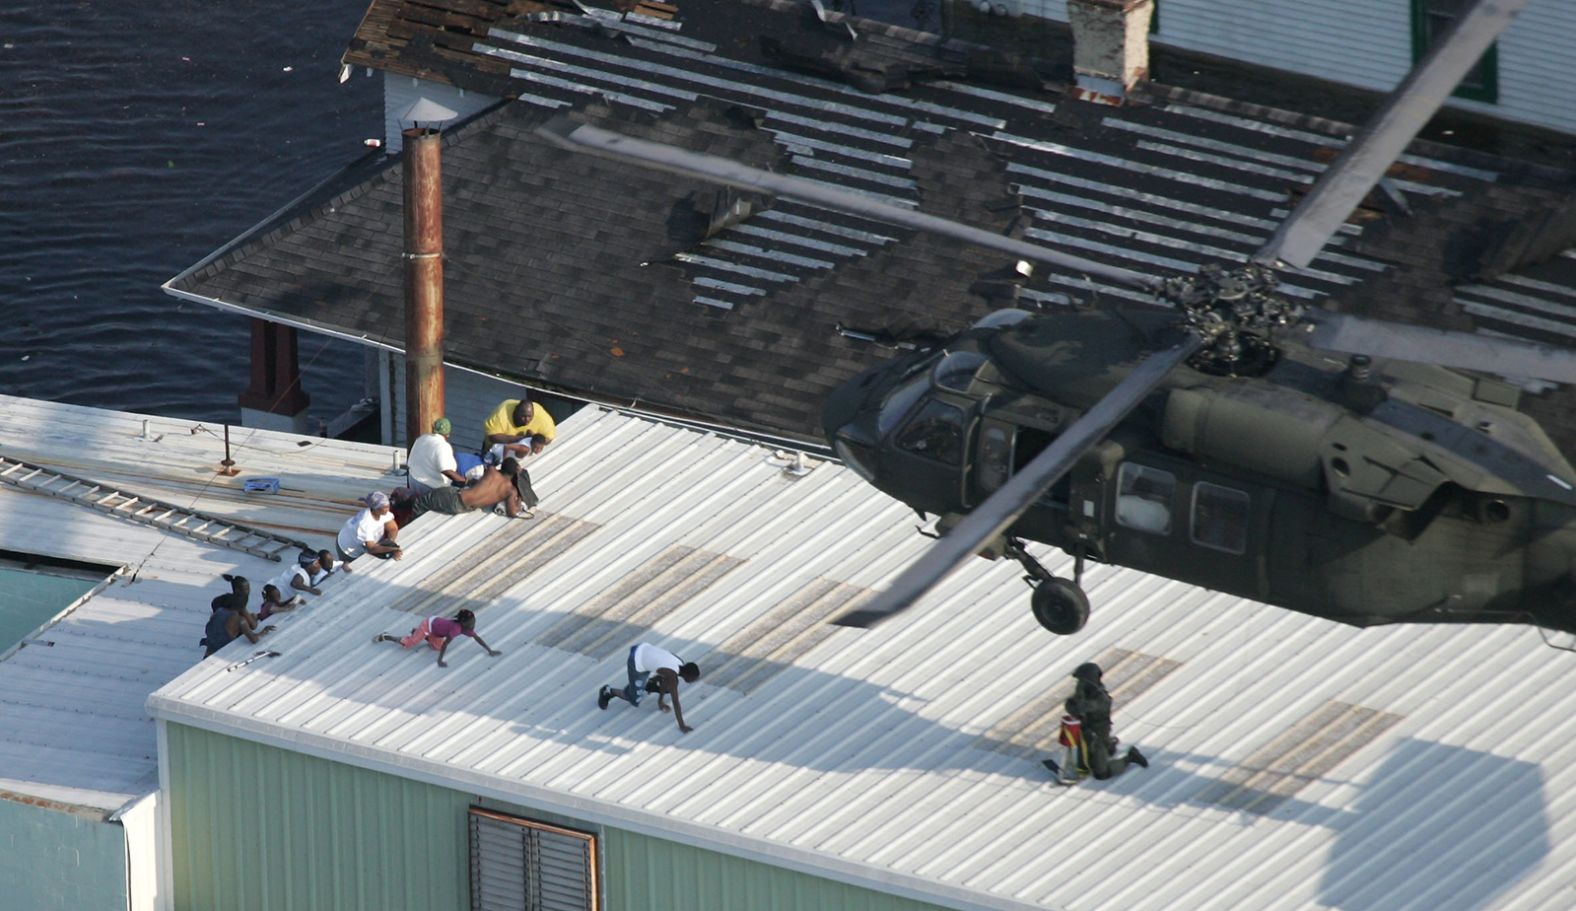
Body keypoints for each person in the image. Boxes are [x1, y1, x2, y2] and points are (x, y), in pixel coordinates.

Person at [1066, 662, 1148, 779]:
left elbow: (1084, 707)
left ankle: (1129, 757)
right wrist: (1078, 698)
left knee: (1101, 773)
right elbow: (1069, 706)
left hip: (1097, 735)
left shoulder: (1101, 697)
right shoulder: (1085, 692)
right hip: (1085, 734)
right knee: (1083, 764)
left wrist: (1078, 700)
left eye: (1082, 680)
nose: (1080, 683)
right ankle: (1109, 747)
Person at [597, 642, 700, 734]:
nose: (693, 681)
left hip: (643, 648)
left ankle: (646, 684)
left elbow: (665, 681)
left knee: (668, 688)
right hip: (636, 660)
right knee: (634, 699)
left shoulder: (679, 662)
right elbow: (676, 702)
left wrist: (660, 702)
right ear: (687, 675)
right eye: (693, 679)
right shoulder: (672, 676)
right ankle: (608, 691)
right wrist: (682, 725)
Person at [374, 608, 500, 668]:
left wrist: (489, 650)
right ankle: (386, 636)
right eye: (470, 621)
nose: (472, 623)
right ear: (463, 622)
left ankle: (418, 633)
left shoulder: (467, 629)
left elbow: (477, 638)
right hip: (428, 625)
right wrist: (440, 660)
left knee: (436, 647)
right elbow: (446, 645)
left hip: (436, 630)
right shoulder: (455, 629)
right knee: (410, 643)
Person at [409, 458, 526, 520]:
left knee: (421, 501)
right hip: (465, 508)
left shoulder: (491, 471)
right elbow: (513, 512)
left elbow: (477, 482)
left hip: (456, 498)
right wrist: (519, 497)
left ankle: (408, 524)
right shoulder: (511, 491)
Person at [202, 576, 275, 656]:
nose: (249, 591)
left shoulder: (220, 610)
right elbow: (254, 637)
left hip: (210, 647)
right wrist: (263, 632)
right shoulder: (241, 620)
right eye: (247, 589)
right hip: (222, 651)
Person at [481, 395, 556, 461]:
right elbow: (493, 437)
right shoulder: (502, 412)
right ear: (516, 411)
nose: (527, 420)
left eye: (530, 416)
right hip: (493, 453)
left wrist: (534, 440)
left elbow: (549, 439)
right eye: (524, 416)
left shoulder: (541, 417)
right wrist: (520, 438)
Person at [336, 491, 402, 563]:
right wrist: (392, 549)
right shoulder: (365, 523)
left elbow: (393, 529)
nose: (387, 509)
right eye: (384, 507)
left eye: (388, 506)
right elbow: (372, 548)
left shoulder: (383, 513)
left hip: (363, 540)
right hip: (348, 549)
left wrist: (391, 542)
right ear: (376, 508)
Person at [407, 417, 466, 494]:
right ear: (448, 434)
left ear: (433, 429)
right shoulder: (443, 446)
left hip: (412, 481)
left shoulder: (422, 438)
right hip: (429, 487)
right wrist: (464, 481)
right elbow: (447, 470)